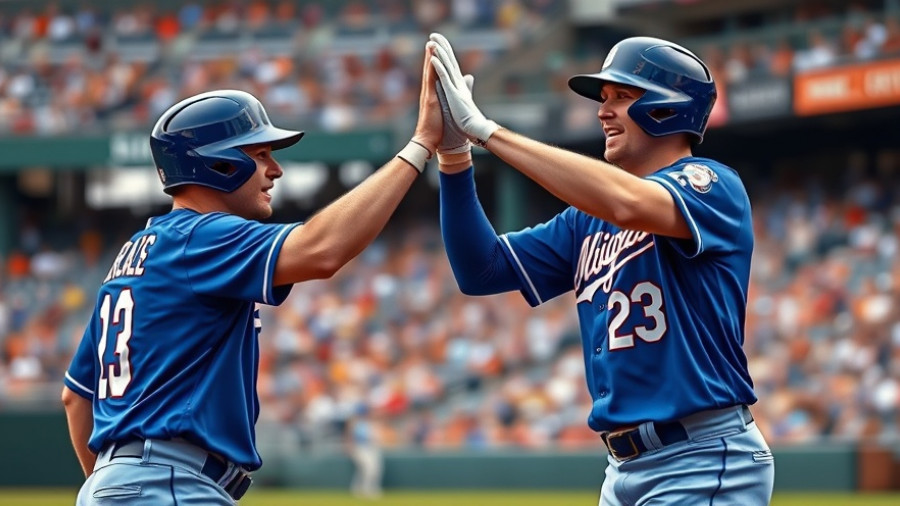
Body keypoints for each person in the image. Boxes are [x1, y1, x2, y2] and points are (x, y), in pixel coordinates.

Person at [60, 44, 444, 505]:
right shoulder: (200, 237)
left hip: (127, 483)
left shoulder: (133, 255)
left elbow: (76, 397)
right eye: (261, 154)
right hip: (169, 482)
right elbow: (323, 249)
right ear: (219, 163)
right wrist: (420, 145)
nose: (275, 170)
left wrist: (113, 483)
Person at [427, 33, 775, 504]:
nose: (603, 111)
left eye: (621, 96)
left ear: (668, 107)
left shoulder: (712, 185)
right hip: (622, 469)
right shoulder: (586, 220)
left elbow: (628, 204)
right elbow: (482, 270)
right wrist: (454, 156)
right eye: (604, 98)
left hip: (700, 456)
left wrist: (489, 132)